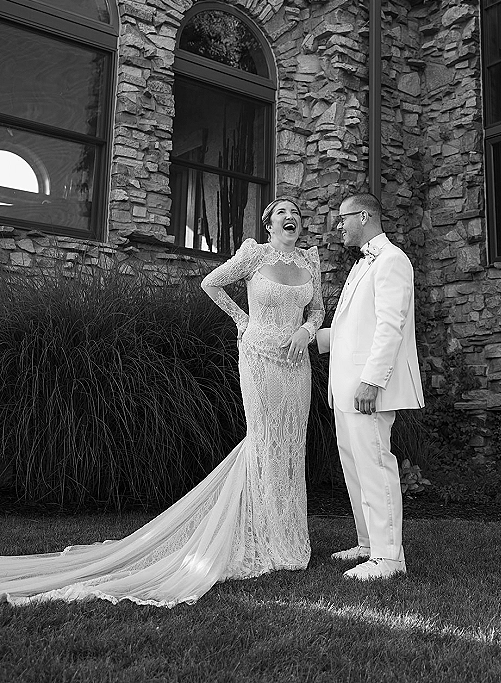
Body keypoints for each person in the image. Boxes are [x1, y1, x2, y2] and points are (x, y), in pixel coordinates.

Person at [0, 198, 324, 606]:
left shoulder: (310, 262)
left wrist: (308, 332)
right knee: (264, 440)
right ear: (269, 222)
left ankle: (288, 537)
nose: (290, 216)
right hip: (260, 358)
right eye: (282, 212)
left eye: (295, 212)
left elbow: (318, 310)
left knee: (292, 445)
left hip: (297, 365)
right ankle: (259, 531)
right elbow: (211, 283)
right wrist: (244, 321)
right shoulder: (253, 255)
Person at [317, 192, 424, 580]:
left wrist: (371, 381)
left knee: (376, 467)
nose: (339, 225)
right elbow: (353, 327)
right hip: (344, 387)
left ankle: (389, 557)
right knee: (356, 468)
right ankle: (368, 544)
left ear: (364, 216)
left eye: (343, 218)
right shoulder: (363, 262)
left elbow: (389, 327)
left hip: (366, 388)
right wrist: (309, 335)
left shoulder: (392, 261)